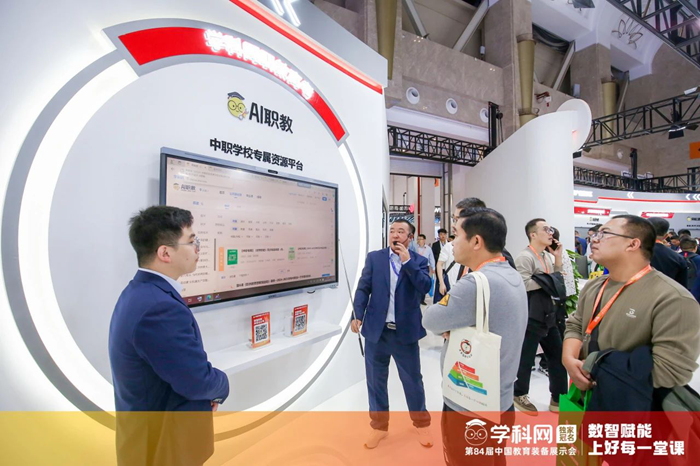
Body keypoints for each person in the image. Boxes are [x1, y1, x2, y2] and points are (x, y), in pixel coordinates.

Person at [109, 206, 229, 466]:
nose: (197, 248)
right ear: (165, 253)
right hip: (162, 448)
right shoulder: (158, 307)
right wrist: (222, 385)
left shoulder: (140, 292)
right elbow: (196, 381)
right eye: (191, 241)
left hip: (150, 440)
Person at [423, 207, 527, 466]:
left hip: (469, 408)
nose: (452, 243)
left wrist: (454, 326)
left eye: (457, 235)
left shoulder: (475, 283)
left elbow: (431, 319)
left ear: (476, 241)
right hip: (501, 402)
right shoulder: (510, 273)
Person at [563, 215, 700, 399]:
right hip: (589, 398)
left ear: (633, 244)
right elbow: (576, 324)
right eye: (595, 234)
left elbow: (670, 370)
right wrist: (569, 359)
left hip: (634, 404)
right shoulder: (595, 285)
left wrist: (596, 368)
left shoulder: (673, 299)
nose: (594, 239)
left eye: (604, 233)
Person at [351, 219, 433, 449]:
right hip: (377, 332)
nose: (395, 235)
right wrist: (357, 315)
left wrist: (407, 262)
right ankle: (379, 427)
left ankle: (421, 424)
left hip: (405, 333)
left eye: (401, 231)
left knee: (412, 380)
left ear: (410, 237)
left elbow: (425, 287)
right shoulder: (375, 258)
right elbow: (363, 288)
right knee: (375, 381)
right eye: (392, 231)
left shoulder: (418, 261)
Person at [513, 218, 567, 415]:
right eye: (546, 229)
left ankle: (558, 397)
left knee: (558, 357)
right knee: (526, 358)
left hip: (549, 314)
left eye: (551, 229)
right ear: (533, 234)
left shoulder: (546, 256)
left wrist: (557, 259)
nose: (550, 232)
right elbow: (523, 284)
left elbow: (558, 281)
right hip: (532, 315)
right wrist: (549, 280)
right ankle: (519, 394)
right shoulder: (525, 257)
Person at [648, 217, 688, 287]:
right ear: (666, 236)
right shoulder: (678, 258)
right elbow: (682, 287)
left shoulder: (632, 254)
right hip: (668, 293)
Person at [416, 233, 436, 305]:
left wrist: (433, 268)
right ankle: (416, 299)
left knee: (423, 283)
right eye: (418, 239)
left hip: (425, 267)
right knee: (416, 283)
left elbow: (431, 258)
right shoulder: (415, 248)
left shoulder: (428, 249)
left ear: (424, 240)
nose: (419, 240)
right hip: (416, 267)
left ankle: (422, 299)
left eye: (420, 239)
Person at [680, 236, 700, 302]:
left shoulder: (674, 258)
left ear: (680, 247)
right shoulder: (698, 259)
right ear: (695, 247)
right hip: (695, 295)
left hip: (677, 294)